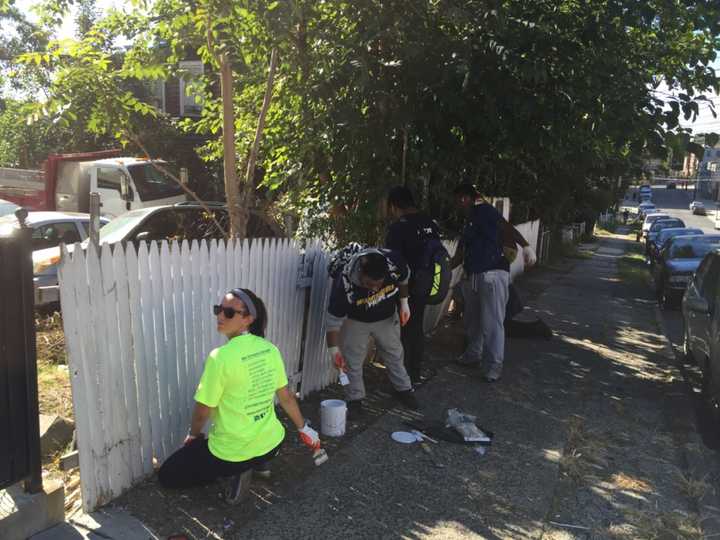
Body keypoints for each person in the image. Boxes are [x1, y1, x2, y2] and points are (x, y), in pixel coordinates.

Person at [158, 288, 321, 504]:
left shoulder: (221, 357)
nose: (219, 316)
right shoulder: (269, 349)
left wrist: (193, 436)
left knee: (167, 475)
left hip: (232, 453)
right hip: (273, 443)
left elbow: (203, 410)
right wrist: (304, 428)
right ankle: (260, 464)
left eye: (228, 312)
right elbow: (287, 398)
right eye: (218, 309)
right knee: (249, 445)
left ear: (248, 320)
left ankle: (239, 470)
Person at [451, 184, 537, 382]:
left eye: (458, 199)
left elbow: (507, 227)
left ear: (466, 198)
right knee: (473, 320)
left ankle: (493, 367)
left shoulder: (485, 212)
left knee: (492, 323)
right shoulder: (470, 220)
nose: (456, 204)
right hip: (474, 276)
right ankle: (473, 354)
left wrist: (525, 246)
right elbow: (461, 253)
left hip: (492, 275)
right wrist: (445, 272)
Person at [326, 244, 418, 416]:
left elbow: (404, 278)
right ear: (361, 273)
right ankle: (354, 399)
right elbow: (333, 322)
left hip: (386, 317)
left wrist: (404, 303)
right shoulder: (344, 283)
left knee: (394, 354)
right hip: (355, 320)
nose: (374, 289)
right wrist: (334, 351)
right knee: (352, 361)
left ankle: (404, 390)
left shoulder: (394, 262)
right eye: (369, 284)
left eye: (378, 284)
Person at [385, 186, 441, 384]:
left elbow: (392, 263)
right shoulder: (430, 223)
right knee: (416, 328)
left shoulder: (398, 228)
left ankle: (404, 377)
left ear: (394, 205)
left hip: (404, 289)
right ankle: (414, 373)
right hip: (426, 283)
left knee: (402, 331)